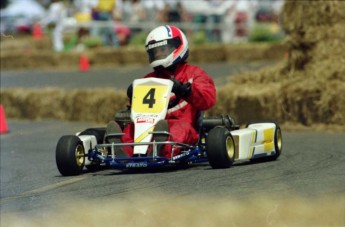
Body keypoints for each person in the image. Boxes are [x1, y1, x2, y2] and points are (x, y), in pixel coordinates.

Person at [106, 25, 216, 159]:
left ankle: (160, 148)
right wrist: (133, 95)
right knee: (130, 130)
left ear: (177, 46)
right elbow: (139, 109)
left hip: (182, 124)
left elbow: (208, 100)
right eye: (155, 51)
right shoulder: (148, 79)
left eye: (162, 49)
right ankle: (121, 150)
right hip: (149, 126)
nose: (158, 54)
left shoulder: (194, 74)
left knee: (178, 129)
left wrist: (185, 90)